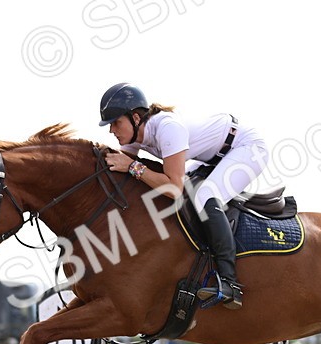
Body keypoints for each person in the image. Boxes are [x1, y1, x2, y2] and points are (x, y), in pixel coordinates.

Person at [98, 82, 269, 309]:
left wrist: (133, 167)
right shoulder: (134, 136)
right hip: (213, 155)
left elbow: (172, 188)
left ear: (136, 118)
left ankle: (229, 283)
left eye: (116, 123)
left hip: (247, 148)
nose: (112, 130)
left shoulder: (167, 128)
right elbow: (121, 166)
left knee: (205, 196)